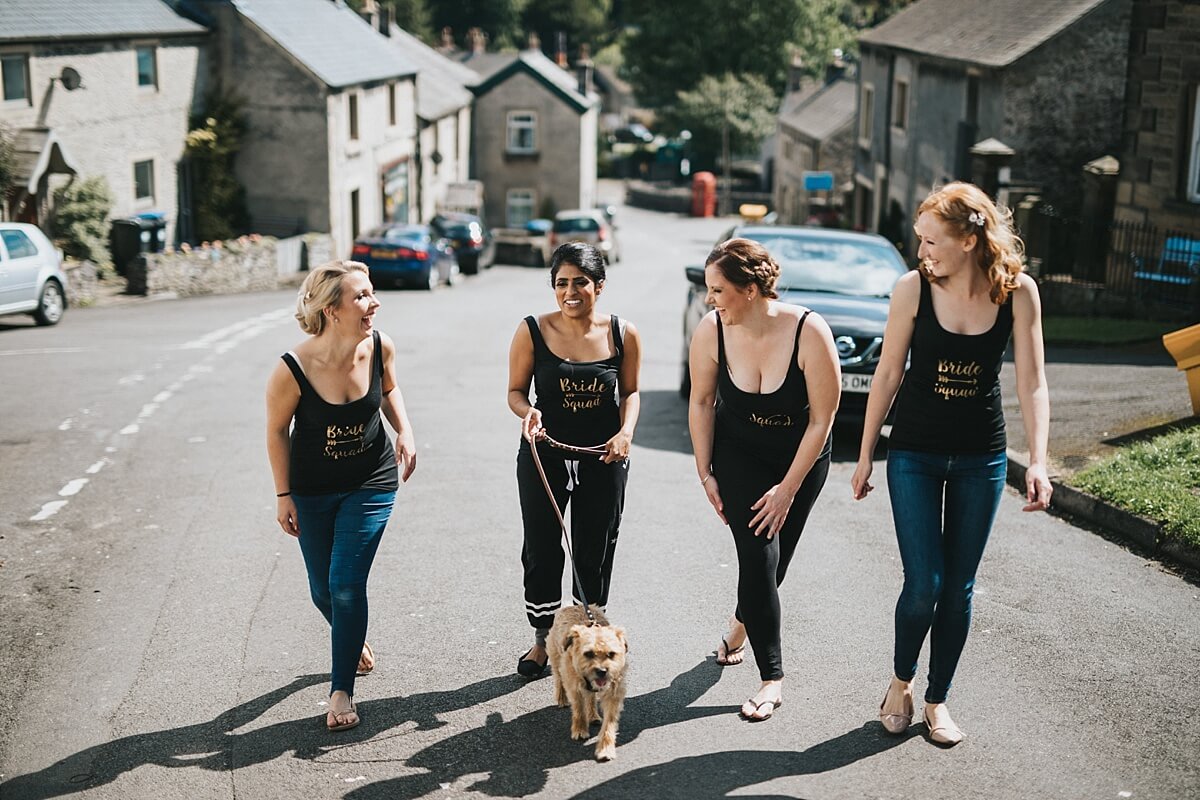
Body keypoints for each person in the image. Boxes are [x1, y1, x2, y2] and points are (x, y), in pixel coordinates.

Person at [851, 182, 1052, 746]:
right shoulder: (912, 289)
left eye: (932, 241)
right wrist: (866, 453)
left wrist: (1037, 461)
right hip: (913, 449)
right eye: (919, 240)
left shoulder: (1018, 292)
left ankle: (937, 700)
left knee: (959, 586)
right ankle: (900, 682)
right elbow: (888, 373)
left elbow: (1033, 381)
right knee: (924, 583)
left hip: (981, 455)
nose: (923, 252)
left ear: (969, 238)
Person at [688, 237, 840, 721]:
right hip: (740, 453)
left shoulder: (809, 331)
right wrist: (705, 470)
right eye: (709, 290)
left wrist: (788, 489)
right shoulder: (711, 330)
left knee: (775, 562)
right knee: (758, 553)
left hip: (802, 457)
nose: (710, 299)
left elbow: (822, 419)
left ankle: (740, 623)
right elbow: (701, 401)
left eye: (718, 290)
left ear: (750, 289)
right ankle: (771, 677)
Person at [265, 260, 417, 732]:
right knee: (321, 590)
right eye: (362, 297)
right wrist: (283, 494)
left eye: (371, 294)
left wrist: (405, 431)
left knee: (346, 584)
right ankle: (351, 639)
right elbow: (276, 431)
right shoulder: (293, 367)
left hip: (371, 483)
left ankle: (341, 690)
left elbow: (389, 389)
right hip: (311, 491)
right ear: (332, 310)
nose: (374, 303)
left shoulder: (379, 346)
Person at [506, 242, 642, 678]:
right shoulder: (531, 330)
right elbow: (515, 392)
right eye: (561, 283)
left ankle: (587, 639)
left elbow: (632, 392)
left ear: (598, 286)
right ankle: (544, 641)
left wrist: (625, 434)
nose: (570, 291)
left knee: (595, 548)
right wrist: (528, 413)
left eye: (580, 282)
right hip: (545, 455)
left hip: (603, 457)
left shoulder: (623, 333)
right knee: (542, 548)